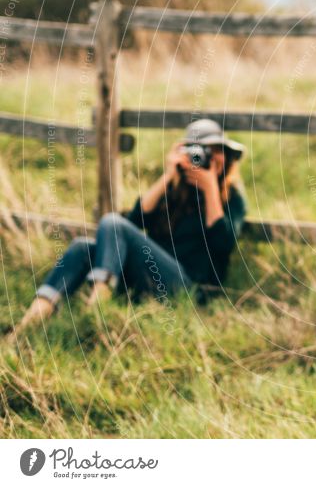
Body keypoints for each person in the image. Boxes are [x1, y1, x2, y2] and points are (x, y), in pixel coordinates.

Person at [13, 119, 247, 332]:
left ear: (227, 156)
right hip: (150, 277)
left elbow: (222, 243)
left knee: (113, 222)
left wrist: (209, 189)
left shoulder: (232, 197)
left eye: (215, 151)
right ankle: (28, 323)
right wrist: (168, 176)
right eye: (199, 151)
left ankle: (96, 312)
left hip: (189, 289)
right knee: (81, 247)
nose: (206, 157)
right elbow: (135, 222)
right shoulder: (174, 191)